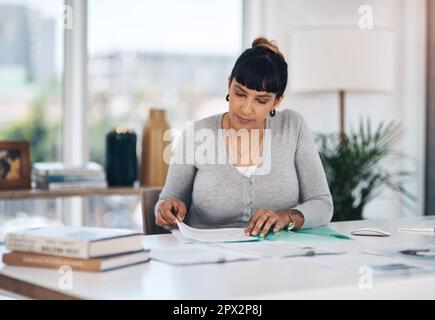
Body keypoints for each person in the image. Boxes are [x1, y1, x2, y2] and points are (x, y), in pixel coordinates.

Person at [155, 37, 333, 237]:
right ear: (229, 84)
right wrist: (166, 209)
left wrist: (286, 217)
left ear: (276, 102)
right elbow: (167, 200)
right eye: (240, 94)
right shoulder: (197, 134)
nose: (246, 108)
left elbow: (322, 205)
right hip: (207, 258)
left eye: (261, 100)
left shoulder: (293, 126)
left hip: (276, 260)